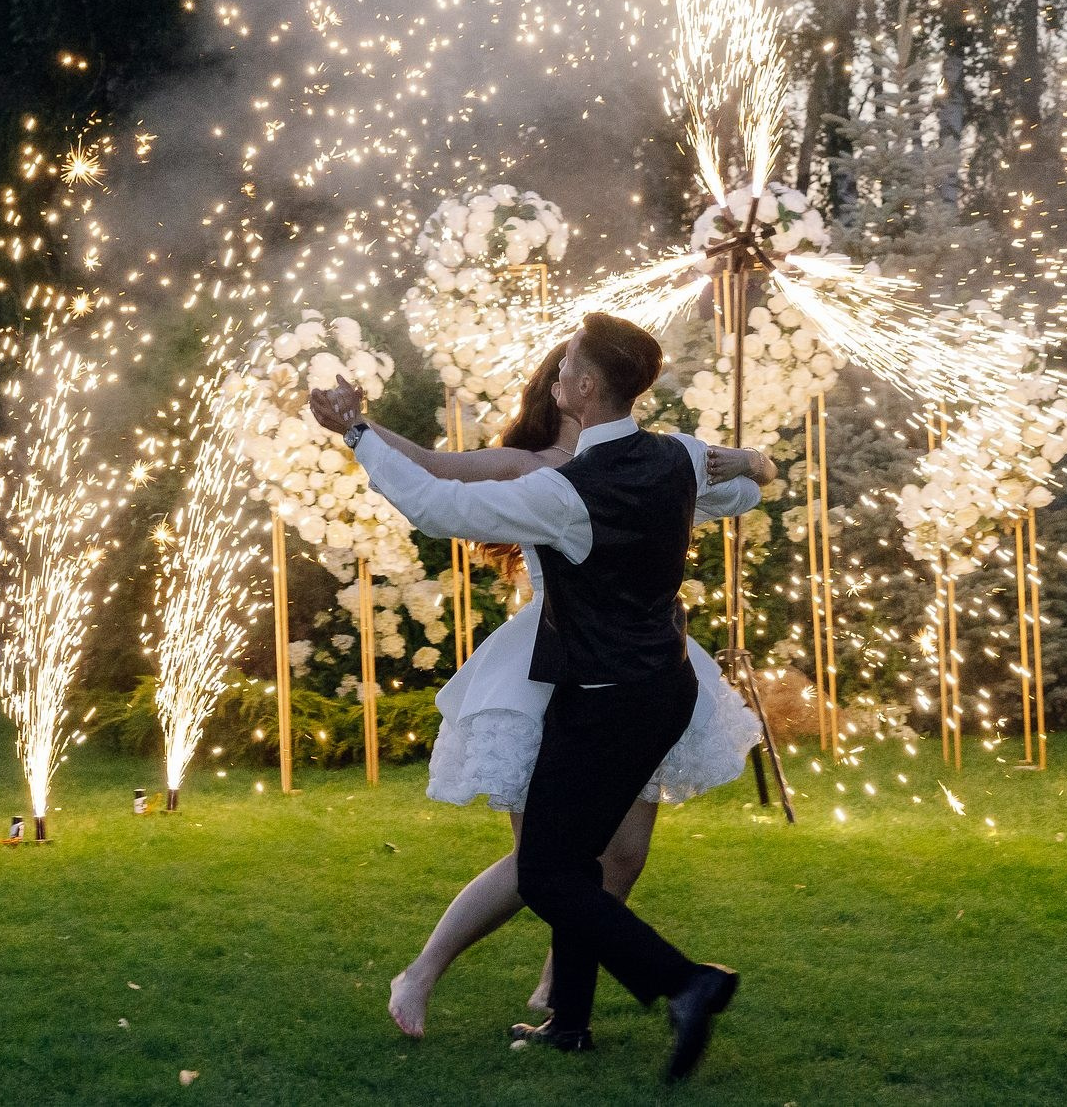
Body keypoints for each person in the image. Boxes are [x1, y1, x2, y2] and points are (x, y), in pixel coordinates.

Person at [311, 313, 756, 1083]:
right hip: (667, 688)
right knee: (575, 857)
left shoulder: (565, 494)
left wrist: (355, 433)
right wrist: (745, 459)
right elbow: (745, 484)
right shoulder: (678, 457)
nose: (553, 381)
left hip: (604, 695)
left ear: (585, 387)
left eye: (563, 371)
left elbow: (436, 509)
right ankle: (570, 1023)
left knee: (547, 870)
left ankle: (686, 981)